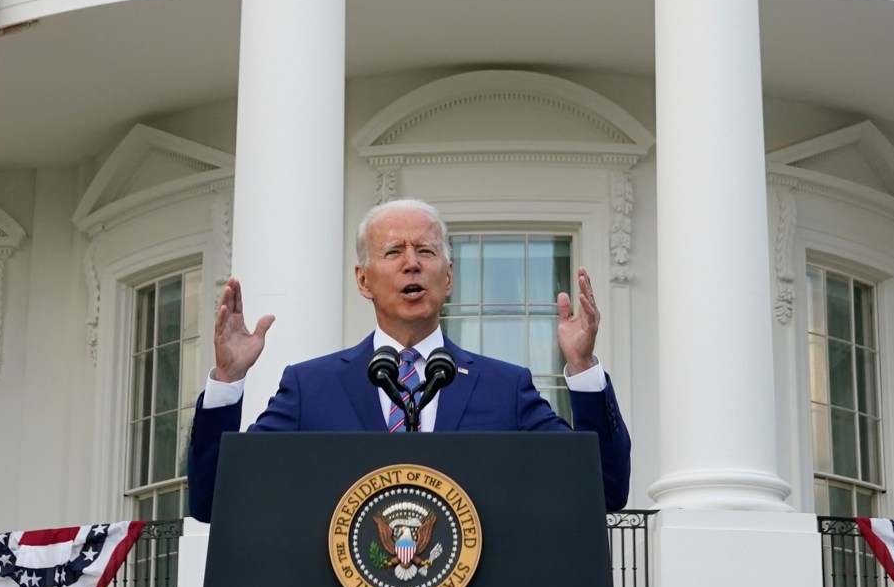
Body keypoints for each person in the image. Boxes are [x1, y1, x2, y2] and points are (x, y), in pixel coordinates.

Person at [185, 197, 632, 521]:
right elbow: (214, 499)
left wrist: (583, 368)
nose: (412, 264)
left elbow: (604, 489)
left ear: (449, 276)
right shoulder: (310, 387)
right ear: (363, 280)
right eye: (394, 252)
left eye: (426, 251)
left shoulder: (505, 388)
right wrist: (228, 379)